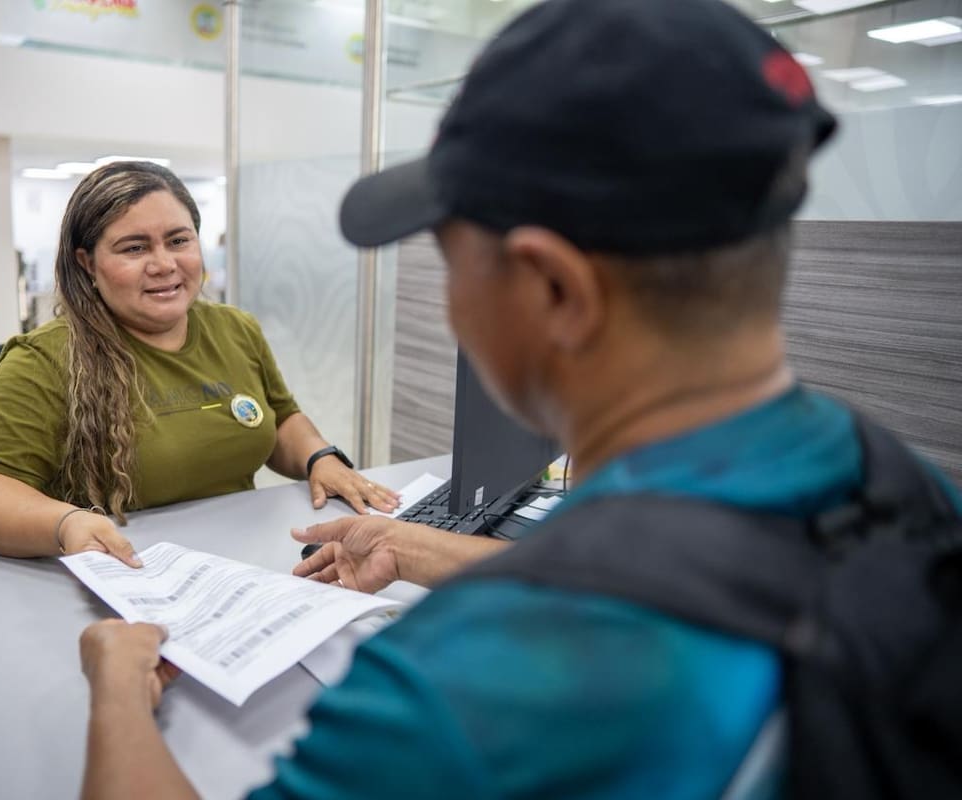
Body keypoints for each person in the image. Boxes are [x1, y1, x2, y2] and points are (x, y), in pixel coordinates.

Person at [73, 0, 962, 798]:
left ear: (554, 293)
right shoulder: (903, 490)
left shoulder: (466, 687)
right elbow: (707, 587)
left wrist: (117, 686)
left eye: (453, 263)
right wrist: (424, 549)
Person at [0, 161, 397, 566]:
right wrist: (64, 524)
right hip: (126, 573)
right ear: (87, 264)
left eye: (179, 240)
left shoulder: (234, 329)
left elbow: (278, 417)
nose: (164, 264)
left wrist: (319, 457)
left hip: (246, 563)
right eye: (134, 248)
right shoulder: (46, 358)